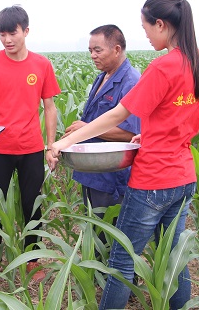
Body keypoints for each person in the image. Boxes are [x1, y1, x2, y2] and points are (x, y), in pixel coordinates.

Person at [48, 0, 199, 310]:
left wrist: (63, 143)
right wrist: (157, 133)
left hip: (152, 179)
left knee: (122, 261)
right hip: (183, 177)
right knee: (174, 260)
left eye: (145, 27)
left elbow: (117, 115)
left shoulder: (163, 66)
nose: (146, 35)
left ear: (161, 24)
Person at [0, 5, 61, 284]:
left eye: (12, 33)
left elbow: (50, 107)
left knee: (32, 203)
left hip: (31, 147)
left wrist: (50, 145)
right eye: (2, 34)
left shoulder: (41, 65)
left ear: (26, 31)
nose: (7, 40)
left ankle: (33, 258)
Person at [65, 24, 140, 251]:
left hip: (112, 176)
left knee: (110, 237)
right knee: (95, 232)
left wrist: (86, 128)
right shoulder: (103, 77)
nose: (92, 55)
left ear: (116, 49)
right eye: (90, 50)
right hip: (93, 172)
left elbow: (130, 133)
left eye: (98, 50)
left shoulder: (131, 82)